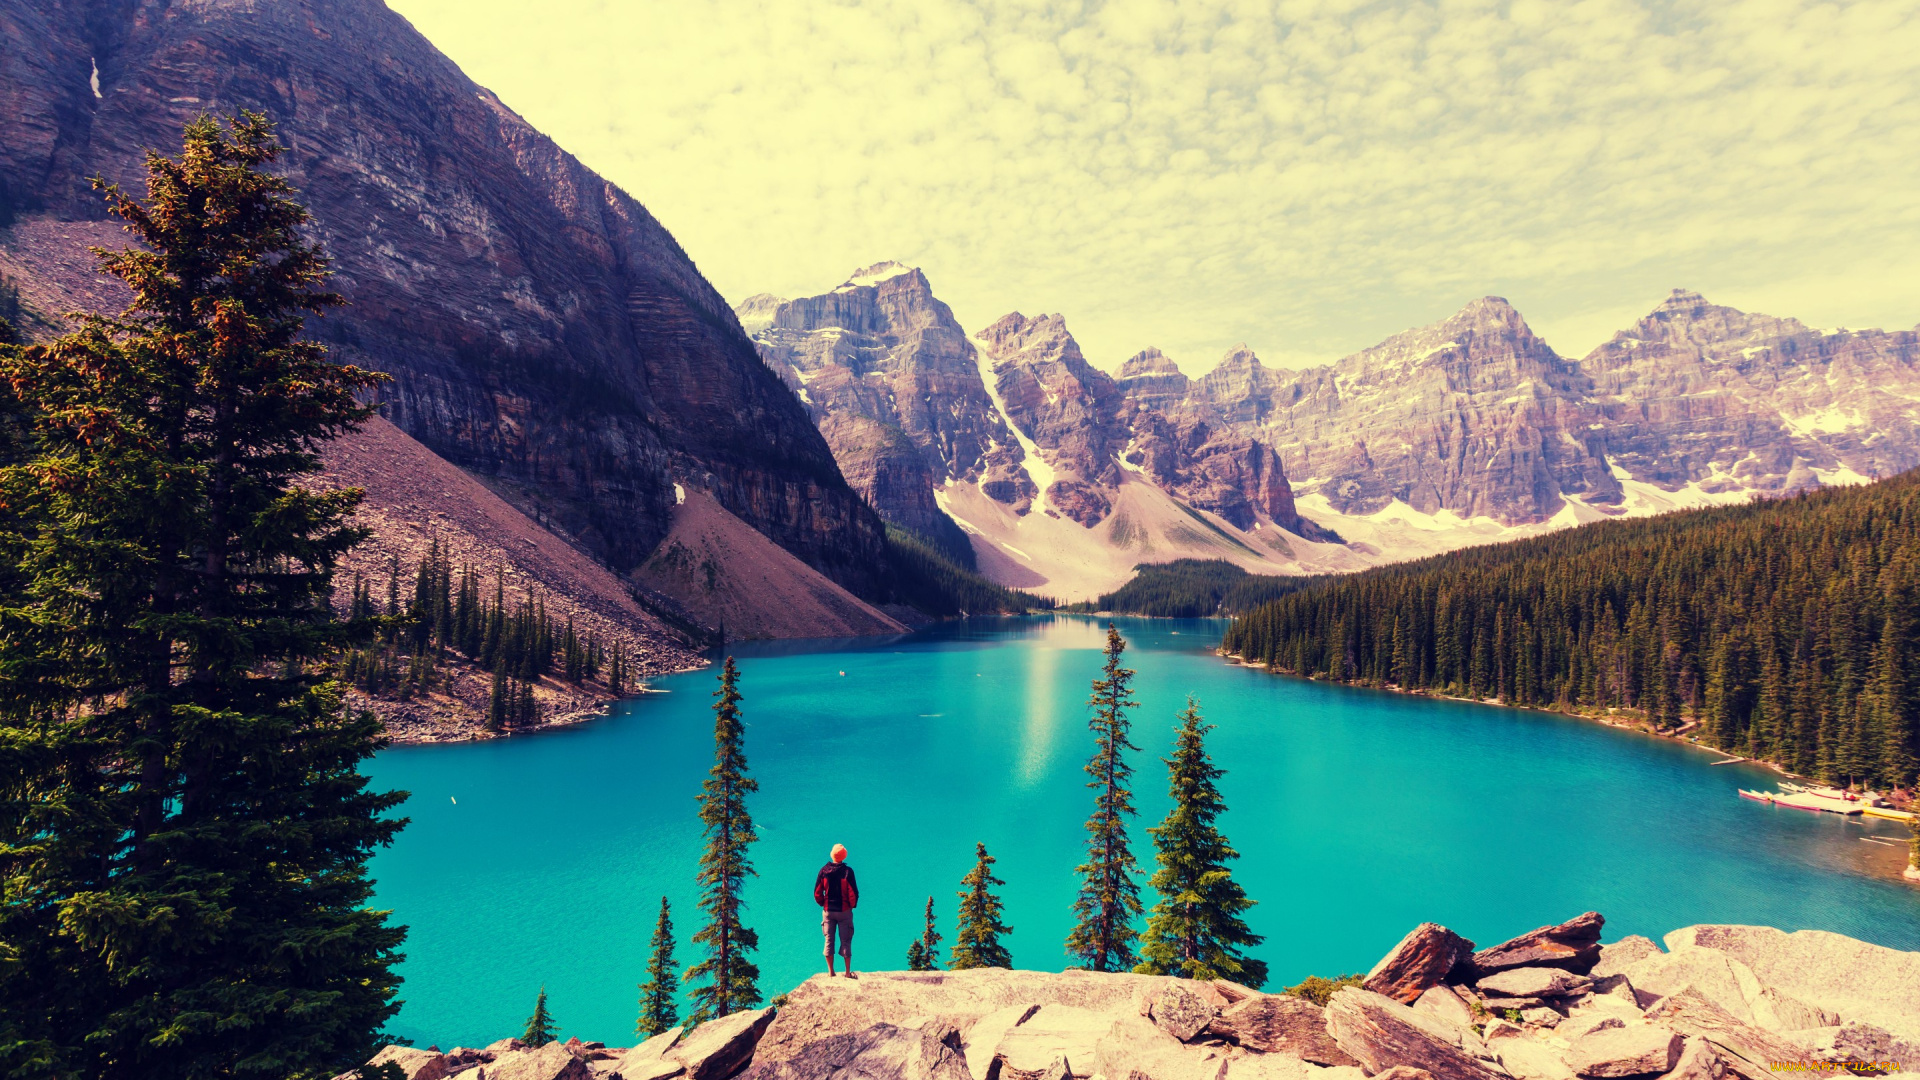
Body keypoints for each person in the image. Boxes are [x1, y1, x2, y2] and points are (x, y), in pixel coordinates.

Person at [813, 843, 859, 977]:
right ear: (844, 856)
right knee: (846, 940)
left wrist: (824, 903)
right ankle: (847, 973)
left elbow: (817, 892)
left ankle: (831, 972)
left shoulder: (824, 870)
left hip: (828, 911)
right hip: (844, 911)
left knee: (828, 940)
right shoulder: (847, 872)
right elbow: (853, 893)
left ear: (832, 854)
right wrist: (851, 906)